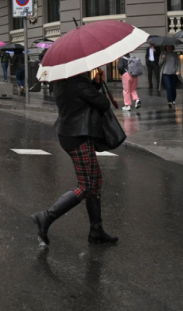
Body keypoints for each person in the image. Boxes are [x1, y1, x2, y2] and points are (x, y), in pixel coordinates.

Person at [30, 69, 118, 246]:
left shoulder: (63, 81)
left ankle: (96, 230)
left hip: (70, 133)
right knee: (87, 185)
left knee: (95, 181)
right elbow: (102, 103)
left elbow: (80, 99)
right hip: (77, 135)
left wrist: (95, 84)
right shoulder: (78, 83)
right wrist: (97, 86)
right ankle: (46, 217)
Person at [160, 45, 180, 109]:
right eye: (167, 46)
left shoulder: (175, 54)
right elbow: (159, 63)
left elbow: (178, 63)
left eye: (170, 46)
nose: (168, 48)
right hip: (165, 74)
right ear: (165, 47)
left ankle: (173, 99)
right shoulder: (163, 54)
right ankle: (170, 101)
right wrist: (163, 59)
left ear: (172, 47)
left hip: (173, 73)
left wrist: (178, 70)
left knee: (173, 88)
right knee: (169, 87)